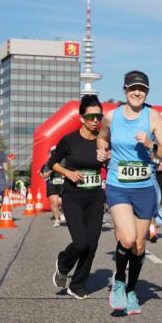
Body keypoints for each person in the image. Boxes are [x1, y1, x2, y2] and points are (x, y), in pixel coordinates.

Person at [96, 71, 162, 316]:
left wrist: (151, 145)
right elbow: (101, 138)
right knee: (128, 239)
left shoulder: (153, 117)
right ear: (125, 90)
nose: (137, 92)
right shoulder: (112, 117)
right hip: (119, 185)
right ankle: (119, 281)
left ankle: (131, 290)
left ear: (147, 92)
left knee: (140, 246)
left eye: (142, 89)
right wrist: (102, 152)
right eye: (133, 88)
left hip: (144, 187)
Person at [50, 95, 106, 300]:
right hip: (73, 196)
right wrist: (68, 173)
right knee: (81, 242)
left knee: (92, 244)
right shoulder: (69, 140)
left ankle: (78, 284)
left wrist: (108, 157)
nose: (95, 120)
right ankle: (64, 263)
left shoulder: (103, 140)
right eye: (90, 116)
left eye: (98, 116)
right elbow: (52, 163)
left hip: (95, 198)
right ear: (82, 118)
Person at [39, 146, 64, 227]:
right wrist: (49, 172)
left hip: (62, 184)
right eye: (53, 152)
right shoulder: (48, 163)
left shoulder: (65, 161)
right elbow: (44, 175)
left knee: (62, 202)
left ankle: (62, 212)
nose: (55, 154)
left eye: (56, 152)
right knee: (55, 203)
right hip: (52, 183)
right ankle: (57, 220)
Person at [149, 158, 162, 242]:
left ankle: (152, 230)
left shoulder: (160, 146)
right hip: (143, 175)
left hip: (158, 176)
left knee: (153, 204)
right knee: (148, 205)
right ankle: (151, 230)